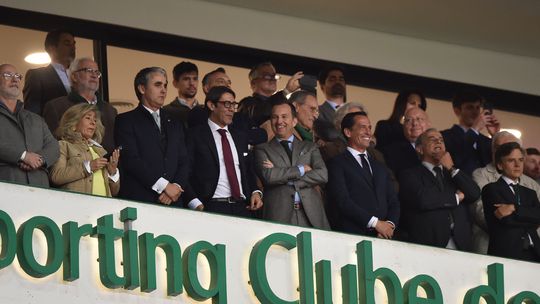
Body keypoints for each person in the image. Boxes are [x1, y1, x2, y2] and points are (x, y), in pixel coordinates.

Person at [114, 67, 189, 206]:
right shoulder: (125, 120)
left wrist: (175, 187)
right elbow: (131, 160)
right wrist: (165, 186)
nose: (164, 90)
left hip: (174, 201)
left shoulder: (175, 122)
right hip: (141, 201)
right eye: (158, 85)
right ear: (142, 88)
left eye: (165, 85)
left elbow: (184, 160)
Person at [185, 86, 262, 216]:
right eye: (226, 104)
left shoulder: (240, 136)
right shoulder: (195, 135)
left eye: (233, 104)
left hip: (242, 207)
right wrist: (194, 202)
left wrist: (255, 191)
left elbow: (248, 169)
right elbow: (185, 170)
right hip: (210, 206)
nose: (231, 109)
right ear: (211, 105)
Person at [398, 128, 480, 249]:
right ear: (419, 149)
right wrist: (456, 197)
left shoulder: (453, 174)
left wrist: (451, 168)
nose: (438, 142)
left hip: (461, 243)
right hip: (429, 243)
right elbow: (424, 199)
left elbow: (474, 193)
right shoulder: (409, 174)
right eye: (432, 139)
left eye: (441, 140)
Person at [255, 100, 330, 228]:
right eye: (275, 117)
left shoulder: (310, 147)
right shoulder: (262, 149)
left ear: (294, 121)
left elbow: (322, 174)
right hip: (279, 215)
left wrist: (285, 177)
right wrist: (301, 169)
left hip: (312, 214)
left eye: (284, 117)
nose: (279, 121)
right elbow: (269, 177)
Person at [326, 111, 400, 237]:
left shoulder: (380, 166)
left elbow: (393, 201)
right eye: (362, 127)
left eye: (369, 127)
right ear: (348, 132)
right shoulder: (337, 163)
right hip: (352, 236)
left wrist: (389, 225)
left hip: (382, 236)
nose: (368, 132)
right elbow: (342, 201)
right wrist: (376, 223)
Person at [471, 132, 540, 254]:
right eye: (511, 160)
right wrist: (529, 216)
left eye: (520, 160)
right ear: (500, 163)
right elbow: (504, 220)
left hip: (533, 251)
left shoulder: (531, 190)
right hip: (505, 250)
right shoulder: (490, 188)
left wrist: (513, 208)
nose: (517, 164)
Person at [0, 64, 59, 186]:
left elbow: (54, 146)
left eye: (17, 76)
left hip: (39, 186)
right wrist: (23, 156)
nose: (15, 79)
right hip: (6, 185)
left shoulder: (35, 118)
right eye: (7, 75)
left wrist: (40, 159)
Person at [42, 57, 117, 153]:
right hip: (74, 165)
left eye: (97, 72)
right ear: (74, 76)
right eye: (89, 70)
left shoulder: (110, 111)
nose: (94, 75)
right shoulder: (56, 107)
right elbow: (52, 146)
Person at [50, 104, 120, 196]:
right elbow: (56, 176)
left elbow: (114, 192)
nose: (93, 123)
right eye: (88, 118)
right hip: (77, 206)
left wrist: (112, 172)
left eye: (95, 120)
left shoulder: (101, 151)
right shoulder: (63, 145)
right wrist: (88, 167)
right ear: (73, 124)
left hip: (104, 207)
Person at [442, 91, 500, 175]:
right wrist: (475, 129)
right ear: (457, 111)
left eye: (477, 107)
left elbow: (500, 164)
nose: (475, 112)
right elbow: (456, 159)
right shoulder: (445, 136)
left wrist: (496, 136)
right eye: (470, 107)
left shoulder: (487, 141)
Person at [23, 29, 76, 115]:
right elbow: (32, 113)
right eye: (67, 43)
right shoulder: (37, 76)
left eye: (74, 44)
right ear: (52, 48)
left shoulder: (79, 76)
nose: (73, 47)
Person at [238, 62, 302, 127]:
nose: (273, 79)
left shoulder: (281, 102)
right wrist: (286, 91)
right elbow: (259, 114)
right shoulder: (246, 104)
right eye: (267, 76)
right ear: (253, 83)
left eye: (274, 76)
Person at [380, 107, 430, 177]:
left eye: (419, 119)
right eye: (409, 120)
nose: (415, 123)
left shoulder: (441, 149)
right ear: (403, 127)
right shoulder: (391, 152)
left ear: (428, 124)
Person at [163, 61, 199, 127]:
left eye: (195, 79)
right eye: (186, 79)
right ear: (175, 83)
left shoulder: (206, 111)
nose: (192, 83)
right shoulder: (165, 112)